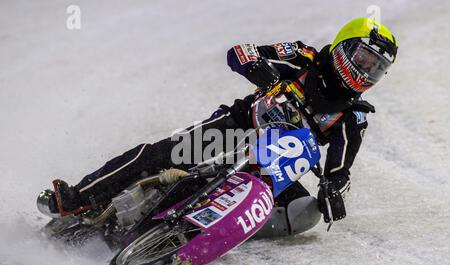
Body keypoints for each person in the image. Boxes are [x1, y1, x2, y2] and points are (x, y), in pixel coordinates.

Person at [37, 17, 398, 223]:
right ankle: (76, 198)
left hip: (271, 166)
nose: (366, 72)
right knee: (157, 155)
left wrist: (333, 191)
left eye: (377, 69)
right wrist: (271, 81)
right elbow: (240, 53)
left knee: (302, 218)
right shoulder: (304, 57)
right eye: (364, 58)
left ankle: (196, 231)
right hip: (236, 126)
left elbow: (340, 169)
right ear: (343, 46)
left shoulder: (352, 117)